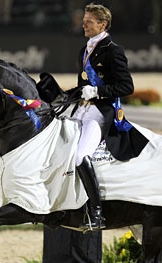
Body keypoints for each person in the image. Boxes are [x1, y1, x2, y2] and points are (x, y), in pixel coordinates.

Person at [69, 3, 149, 231]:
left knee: (80, 155)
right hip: (84, 110)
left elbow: (127, 86)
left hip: (102, 113)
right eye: (84, 20)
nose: (83, 24)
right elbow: (82, 86)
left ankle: (96, 212)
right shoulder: (84, 50)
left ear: (102, 24)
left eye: (88, 21)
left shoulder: (113, 50)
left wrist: (97, 91)